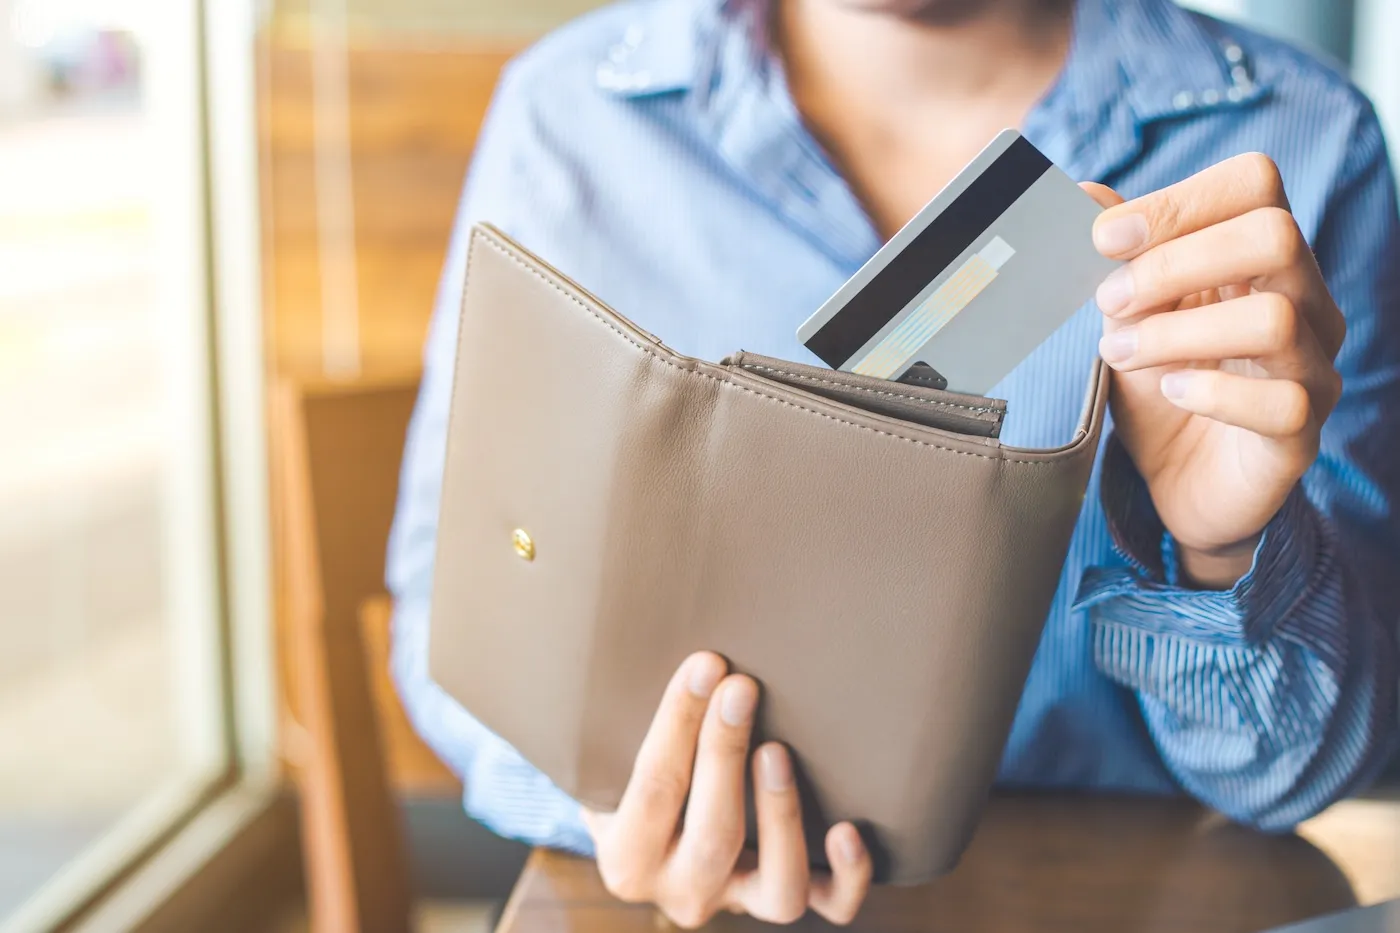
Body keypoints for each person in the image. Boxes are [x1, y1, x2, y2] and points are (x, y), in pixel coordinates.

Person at [386, 0, 1400, 925]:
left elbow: (1308, 770)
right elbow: (449, 598)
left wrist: (1221, 552)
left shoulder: (1300, 143)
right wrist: (607, 795)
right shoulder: (568, 117)